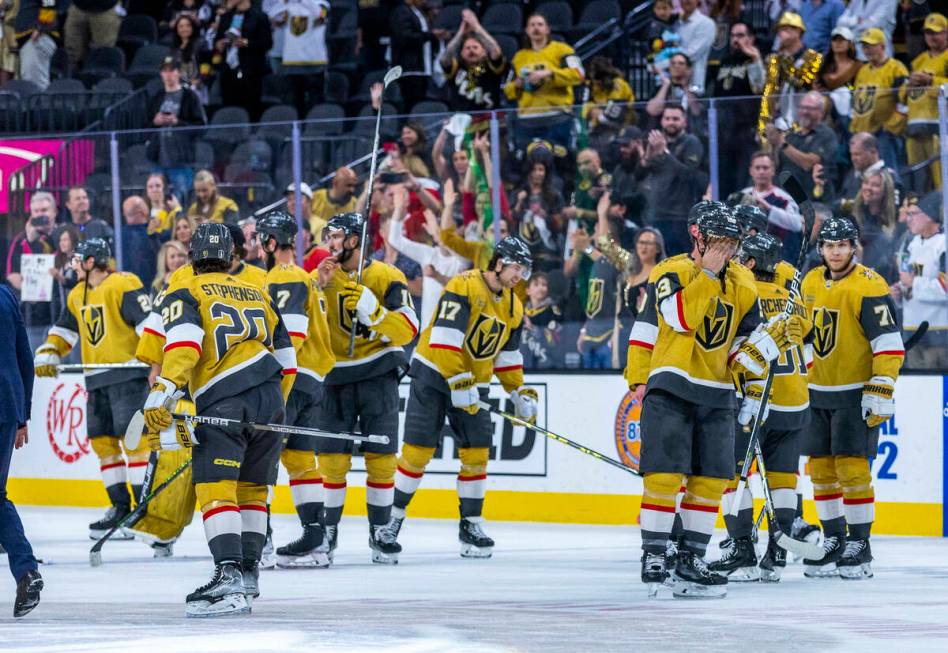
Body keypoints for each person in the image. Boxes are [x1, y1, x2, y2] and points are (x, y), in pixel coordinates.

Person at [625, 202, 793, 598]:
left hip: (718, 393)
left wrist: (770, 344)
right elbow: (681, 318)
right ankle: (654, 554)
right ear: (697, 236)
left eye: (733, 242)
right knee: (665, 476)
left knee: (712, 480)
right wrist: (708, 274)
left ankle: (690, 557)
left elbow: (738, 352)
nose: (728, 249)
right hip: (672, 383)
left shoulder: (745, 284)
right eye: (720, 240)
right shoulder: (671, 271)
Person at [142, 222, 296, 616]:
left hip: (225, 398)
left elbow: (185, 343)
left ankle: (227, 578)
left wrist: (164, 391)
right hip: (271, 397)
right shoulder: (258, 289)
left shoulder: (186, 287)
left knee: (216, 487)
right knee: (253, 491)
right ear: (231, 255)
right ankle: (248, 575)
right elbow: (288, 359)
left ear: (193, 255)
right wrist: (273, 408)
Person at [380, 237, 536, 557]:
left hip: (471, 384)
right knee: (418, 452)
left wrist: (517, 390)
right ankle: (391, 521)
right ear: (500, 262)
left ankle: (471, 525)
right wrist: (459, 382)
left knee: (478, 453)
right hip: (433, 375)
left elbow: (507, 356)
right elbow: (444, 339)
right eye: (516, 267)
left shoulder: (513, 307)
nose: (520, 275)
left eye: (524, 269)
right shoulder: (463, 284)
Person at [800, 216, 904, 579]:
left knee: (852, 469)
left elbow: (889, 344)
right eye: (830, 246)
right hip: (817, 392)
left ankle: (859, 543)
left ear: (853, 246)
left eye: (842, 245)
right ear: (821, 248)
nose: (836, 252)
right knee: (822, 470)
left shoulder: (870, 285)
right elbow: (803, 332)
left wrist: (881, 385)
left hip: (853, 394)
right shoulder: (810, 281)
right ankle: (833, 539)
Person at [314, 212, 420, 564]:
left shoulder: (386, 276)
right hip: (334, 379)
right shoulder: (321, 274)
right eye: (328, 235)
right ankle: (327, 532)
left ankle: (379, 530)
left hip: (378, 376)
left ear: (355, 240)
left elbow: (408, 329)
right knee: (331, 461)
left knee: (381, 459)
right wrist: (316, 288)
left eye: (336, 235)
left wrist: (374, 311)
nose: (329, 242)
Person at [32, 238, 153, 539]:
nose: (73, 264)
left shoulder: (124, 284)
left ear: (91, 261)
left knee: (135, 442)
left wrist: (155, 365)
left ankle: (143, 511)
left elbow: (149, 326)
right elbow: (64, 332)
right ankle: (120, 508)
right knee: (103, 444)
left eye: (77, 259)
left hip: (128, 376)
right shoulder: (76, 294)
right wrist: (49, 350)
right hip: (95, 379)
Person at [710, 233, 810, 583]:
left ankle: (742, 553)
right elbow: (807, 338)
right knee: (783, 478)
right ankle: (776, 555)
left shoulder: (744, 294)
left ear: (750, 264)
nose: (733, 262)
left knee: (732, 476)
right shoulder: (794, 300)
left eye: (739, 258)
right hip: (796, 399)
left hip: (755, 399)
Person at [253, 211, 336, 568]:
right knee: (301, 461)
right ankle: (316, 541)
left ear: (272, 243)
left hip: (291, 381)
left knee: (259, 459)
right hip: (313, 382)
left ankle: (259, 542)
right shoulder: (304, 278)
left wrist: (271, 384)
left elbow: (293, 336)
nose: (258, 247)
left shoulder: (283, 277)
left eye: (261, 240)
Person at [0, 283, 43, 618]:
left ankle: (26, 570)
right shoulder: (5, 295)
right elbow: (24, 356)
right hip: (6, 405)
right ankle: (26, 571)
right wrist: (22, 413)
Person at [388, 184, 469, 329]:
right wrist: (399, 209)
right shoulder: (429, 254)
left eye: (450, 232)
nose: (445, 235)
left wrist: (438, 235)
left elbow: (450, 246)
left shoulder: (463, 259)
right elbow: (395, 239)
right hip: (426, 335)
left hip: (452, 335)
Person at [504, 13, 584, 157]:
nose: (536, 28)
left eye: (540, 24)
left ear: (547, 29)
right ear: (527, 31)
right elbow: (508, 91)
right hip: (527, 121)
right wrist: (518, 84)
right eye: (532, 25)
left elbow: (579, 75)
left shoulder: (563, 50)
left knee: (562, 162)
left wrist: (550, 73)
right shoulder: (519, 57)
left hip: (558, 118)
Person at [638, 105, 705, 256]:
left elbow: (688, 174)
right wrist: (648, 156)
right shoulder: (656, 142)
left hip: (680, 217)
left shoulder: (691, 142)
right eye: (667, 118)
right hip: (654, 215)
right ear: (662, 121)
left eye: (675, 119)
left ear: (684, 122)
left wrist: (665, 152)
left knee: (681, 263)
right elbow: (638, 175)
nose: (671, 122)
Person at [892, 190, 947, 368]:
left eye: (914, 214)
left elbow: (945, 288)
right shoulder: (911, 244)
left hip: (938, 334)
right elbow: (909, 280)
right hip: (912, 332)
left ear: (930, 216)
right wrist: (900, 292)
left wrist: (913, 283)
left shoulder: (943, 245)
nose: (908, 218)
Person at [709, 21, 765, 199]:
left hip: (744, 131)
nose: (735, 40)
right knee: (723, 180)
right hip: (722, 131)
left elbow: (759, 88)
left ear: (751, 38)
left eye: (740, 35)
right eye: (733, 36)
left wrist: (755, 60)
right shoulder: (724, 61)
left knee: (741, 180)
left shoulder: (754, 61)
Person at [146, 57, 208, 201]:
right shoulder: (156, 98)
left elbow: (201, 127)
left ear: (179, 73)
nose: (168, 75)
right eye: (165, 71)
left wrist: (177, 122)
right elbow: (144, 128)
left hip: (181, 161)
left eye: (172, 70)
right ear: (161, 74)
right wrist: (155, 122)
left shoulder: (190, 96)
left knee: (181, 200)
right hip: (158, 160)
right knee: (156, 201)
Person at [849, 29, 908, 172]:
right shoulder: (863, 70)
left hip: (885, 135)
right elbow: (857, 99)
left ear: (882, 46)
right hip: (863, 133)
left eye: (870, 45)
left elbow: (905, 102)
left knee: (888, 172)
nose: (866, 50)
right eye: (864, 46)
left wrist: (890, 127)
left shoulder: (896, 68)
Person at [759, 13, 822, 143]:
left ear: (798, 31)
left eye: (786, 29)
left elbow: (802, 83)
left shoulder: (813, 57)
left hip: (803, 117)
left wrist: (785, 62)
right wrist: (763, 123)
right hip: (778, 116)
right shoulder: (774, 59)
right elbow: (769, 90)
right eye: (780, 30)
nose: (781, 34)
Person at [902, 12, 948, 192]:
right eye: (928, 32)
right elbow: (903, 96)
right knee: (917, 182)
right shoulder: (918, 60)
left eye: (936, 32)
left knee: (942, 181)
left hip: (940, 127)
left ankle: (945, 218)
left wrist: (930, 81)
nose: (931, 37)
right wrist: (909, 85)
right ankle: (918, 217)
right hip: (915, 126)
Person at [765, 91, 839, 199]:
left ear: (821, 112)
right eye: (802, 107)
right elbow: (776, 165)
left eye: (810, 108)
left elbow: (808, 163)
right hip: (786, 197)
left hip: (811, 199)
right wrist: (772, 144)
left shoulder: (827, 135)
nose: (804, 111)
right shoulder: (791, 136)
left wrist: (782, 143)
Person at [4, 193, 55, 347]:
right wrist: (31, 289)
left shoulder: (63, 235)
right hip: (33, 315)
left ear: (54, 212)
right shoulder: (20, 240)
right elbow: (12, 275)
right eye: (36, 211)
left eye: (44, 210)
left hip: (59, 311)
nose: (40, 214)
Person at [735, 151, 804, 258]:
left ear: (773, 171)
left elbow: (797, 224)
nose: (761, 171)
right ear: (751, 171)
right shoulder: (742, 195)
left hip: (777, 255)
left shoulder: (784, 198)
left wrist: (769, 209)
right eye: (757, 168)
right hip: (746, 254)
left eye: (765, 168)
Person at [439, 8, 506, 116]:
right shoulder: (456, 67)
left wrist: (476, 27)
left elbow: (496, 51)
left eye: (475, 47)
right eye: (467, 48)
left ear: (484, 52)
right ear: (461, 53)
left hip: (488, 120)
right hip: (461, 123)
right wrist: (460, 33)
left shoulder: (491, 66)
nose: (471, 50)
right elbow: (444, 59)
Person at [213, 0, 272, 121]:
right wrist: (218, 44)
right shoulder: (225, 17)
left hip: (251, 71)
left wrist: (247, 43)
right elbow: (218, 38)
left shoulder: (260, 17)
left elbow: (267, 43)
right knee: (229, 107)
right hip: (228, 70)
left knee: (251, 108)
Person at [272, 0, 329, 116]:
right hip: (291, 62)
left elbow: (319, 15)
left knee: (315, 104)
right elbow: (272, 15)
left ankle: (314, 130)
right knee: (292, 104)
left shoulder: (322, 4)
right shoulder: (288, 5)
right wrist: (284, 3)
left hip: (314, 62)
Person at [390, 0, 446, 111]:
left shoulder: (416, 11)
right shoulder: (402, 11)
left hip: (421, 68)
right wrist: (431, 35)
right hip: (410, 69)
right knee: (412, 104)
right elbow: (404, 37)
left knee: (420, 103)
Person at [512, 160, 566, 273]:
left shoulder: (554, 196)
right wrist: (519, 203)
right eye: (534, 169)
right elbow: (509, 221)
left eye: (541, 169)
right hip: (522, 253)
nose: (537, 173)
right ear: (528, 173)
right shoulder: (518, 194)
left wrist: (544, 215)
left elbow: (560, 224)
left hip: (546, 253)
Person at [852, 169, 900, 281]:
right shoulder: (851, 217)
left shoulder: (895, 220)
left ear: (885, 191)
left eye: (875, 185)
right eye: (866, 183)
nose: (868, 187)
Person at [583, 56, 636, 150]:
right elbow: (584, 109)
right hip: (597, 129)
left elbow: (614, 116)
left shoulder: (619, 85)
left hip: (621, 127)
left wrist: (597, 115)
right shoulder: (591, 84)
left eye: (598, 80)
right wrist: (591, 110)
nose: (596, 83)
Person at [14, 0, 63, 91]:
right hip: (28, 39)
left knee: (35, 84)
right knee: (30, 83)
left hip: (37, 38)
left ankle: (42, 105)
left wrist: (40, 28)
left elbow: (49, 2)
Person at [645, 53, 703, 125]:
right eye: (673, 63)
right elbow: (652, 111)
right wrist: (666, 84)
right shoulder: (661, 88)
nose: (676, 66)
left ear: (688, 68)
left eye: (681, 64)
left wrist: (685, 86)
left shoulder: (694, 89)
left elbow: (696, 112)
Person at [63, 0, 121, 69]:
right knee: (71, 51)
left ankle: (97, 77)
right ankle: (72, 76)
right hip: (78, 8)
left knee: (103, 53)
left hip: (105, 10)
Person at [675, 0, 715, 94]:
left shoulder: (706, 23)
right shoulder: (676, 24)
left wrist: (665, 61)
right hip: (674, 87)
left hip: (695, 85)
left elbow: (691, 54)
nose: (687, 0)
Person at [121, 195, 160, 287]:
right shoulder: (152, 235)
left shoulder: (118, 235)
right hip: (151, 285)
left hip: (127, 286)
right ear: (144, 212)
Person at [310, 169, 358, 238]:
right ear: (335, 183)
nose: (352, 190)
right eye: (348, 185)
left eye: (354, 186)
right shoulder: (315, 198)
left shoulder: (356, 205)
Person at [815, 26, 861, 92]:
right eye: (834, 39)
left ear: (850, 43)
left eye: (842, 39)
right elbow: (816, 85)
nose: (838, 42)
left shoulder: (858, 66)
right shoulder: (822, 64)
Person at [145, 173, 183, 242]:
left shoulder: (173, 211)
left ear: (164, 188)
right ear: (147, 190)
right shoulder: (144, 213)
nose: (154, 190)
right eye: (150, 187)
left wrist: (177, 208)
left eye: (158, 186)